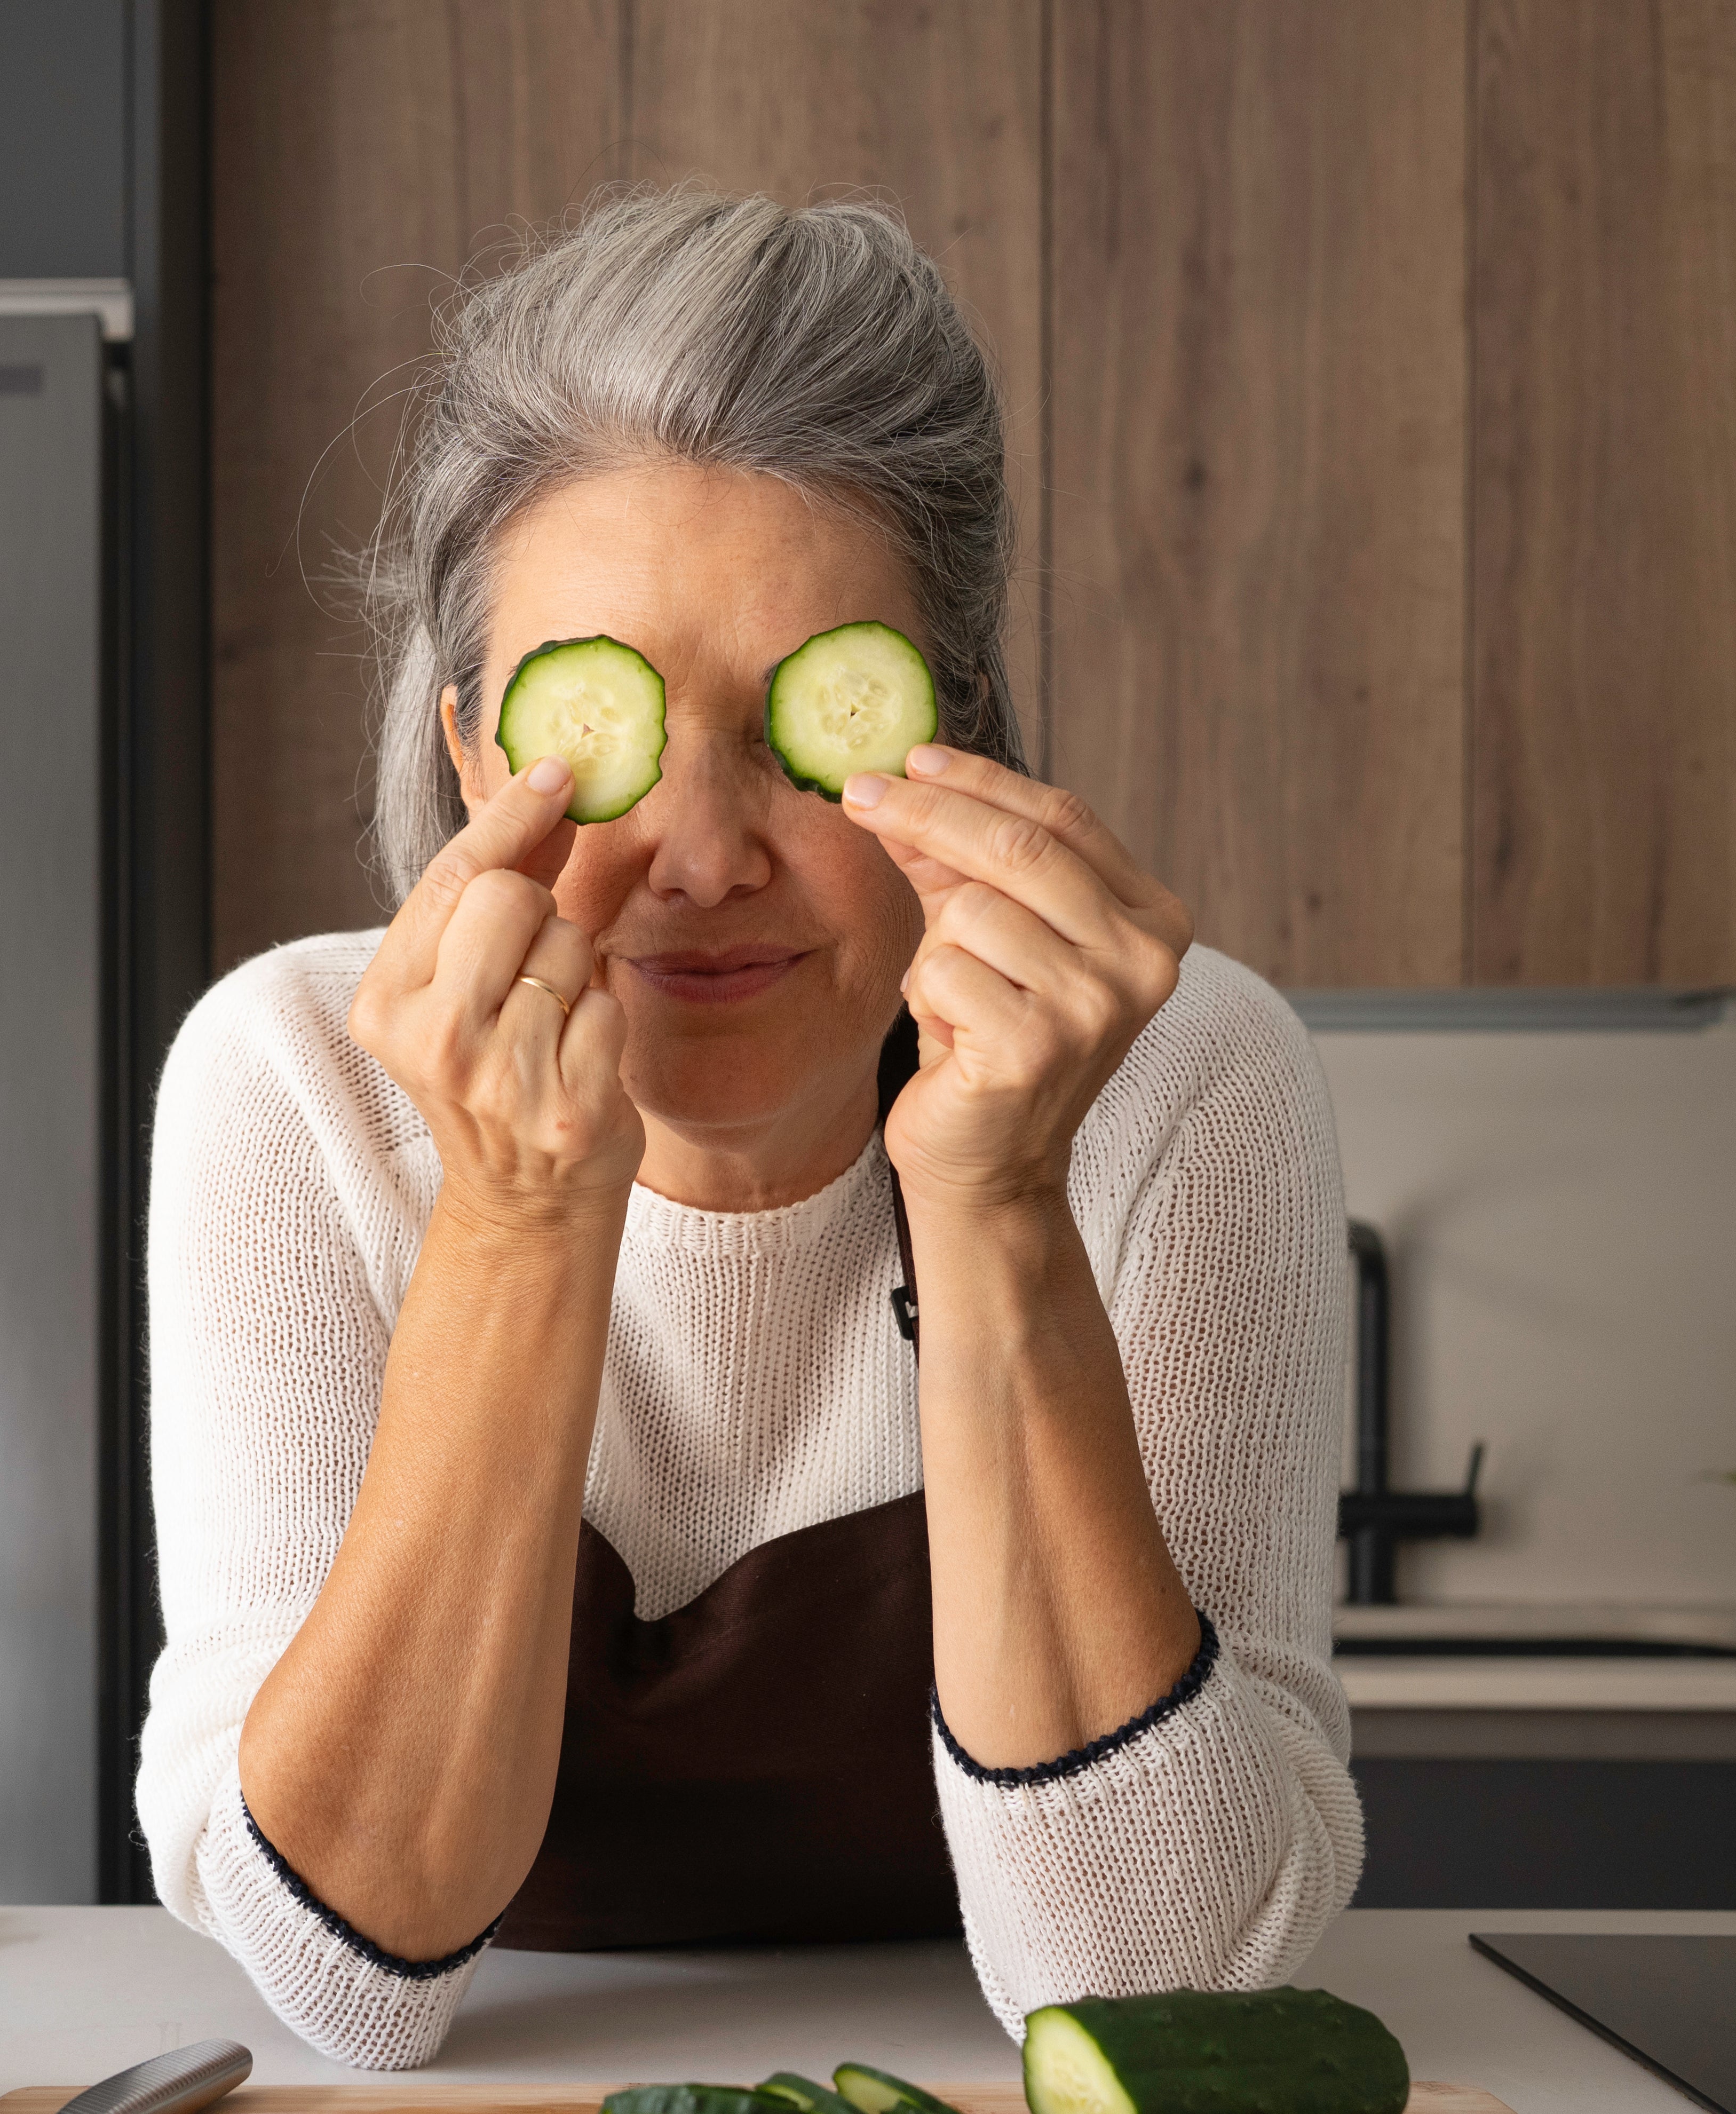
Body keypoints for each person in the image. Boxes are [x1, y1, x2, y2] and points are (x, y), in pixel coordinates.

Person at [138, 187, 1361, 2070]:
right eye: (605, 722)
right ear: (472, 752)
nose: (706, 857)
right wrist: (521, 1217)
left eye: (816, 724)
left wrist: (1002, 1200)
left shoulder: (1185, 1079)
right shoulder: (291, 1080)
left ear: (962, 744)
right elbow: (346, 1982)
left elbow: (1160, 1998)